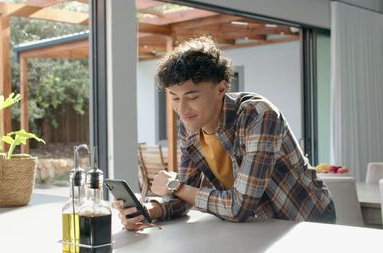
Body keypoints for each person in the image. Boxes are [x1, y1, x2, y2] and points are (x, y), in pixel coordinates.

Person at [114, 36, 335, 231]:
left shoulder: (258, 116)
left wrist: (176, 185)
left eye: (192, 98)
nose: (182, 109)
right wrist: (148, 210)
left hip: (306, 223)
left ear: (221, 89)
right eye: (175, 97)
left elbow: (239, 207)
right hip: (259, 227)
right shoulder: (190, 125)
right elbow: (186, 196)